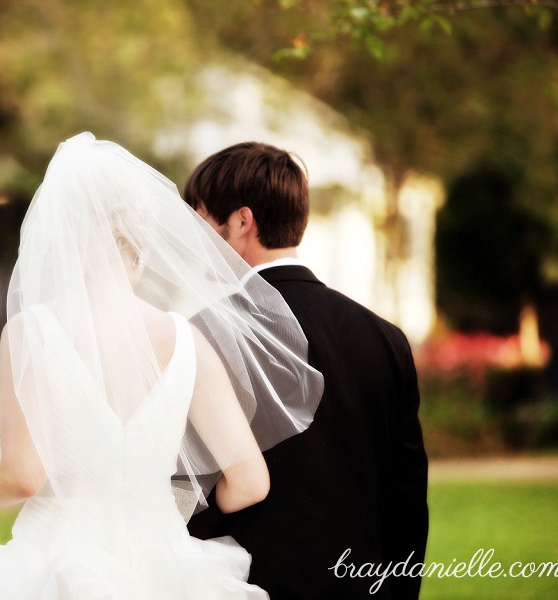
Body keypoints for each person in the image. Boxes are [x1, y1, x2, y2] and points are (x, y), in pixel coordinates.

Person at [0, 133, 323, 599]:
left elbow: (23, 476)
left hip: (55, 556)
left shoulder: (31, 332)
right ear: (143, 236)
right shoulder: (187, 339)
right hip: (166, 568)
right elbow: (251, 482)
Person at [183, 141, 429, 599]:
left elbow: (191, 489)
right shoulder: (384, 337)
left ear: (240, 222)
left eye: (199, 219)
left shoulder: (204, 336)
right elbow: (406, 497)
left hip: (250, 585)